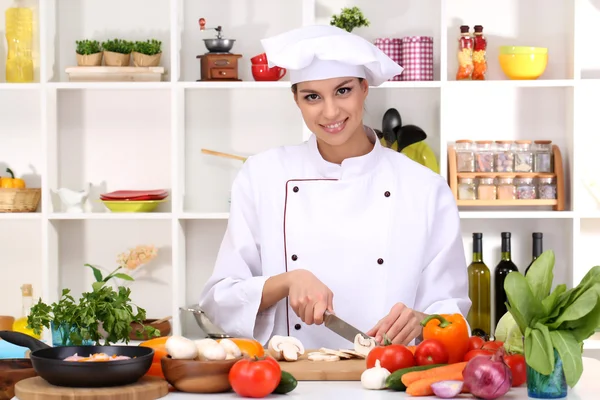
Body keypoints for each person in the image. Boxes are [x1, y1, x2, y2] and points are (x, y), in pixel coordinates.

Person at [198, 25, 471, 351]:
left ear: (364, 88)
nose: (330, 112)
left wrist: (423, 321)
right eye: (312, 96)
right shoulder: (262, 176)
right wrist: (287, 280)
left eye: (343, 91)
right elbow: (219, 301)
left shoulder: (425, 189)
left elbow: (451, 314)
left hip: (391, 378)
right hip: (290, 381)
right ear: (296, 99)